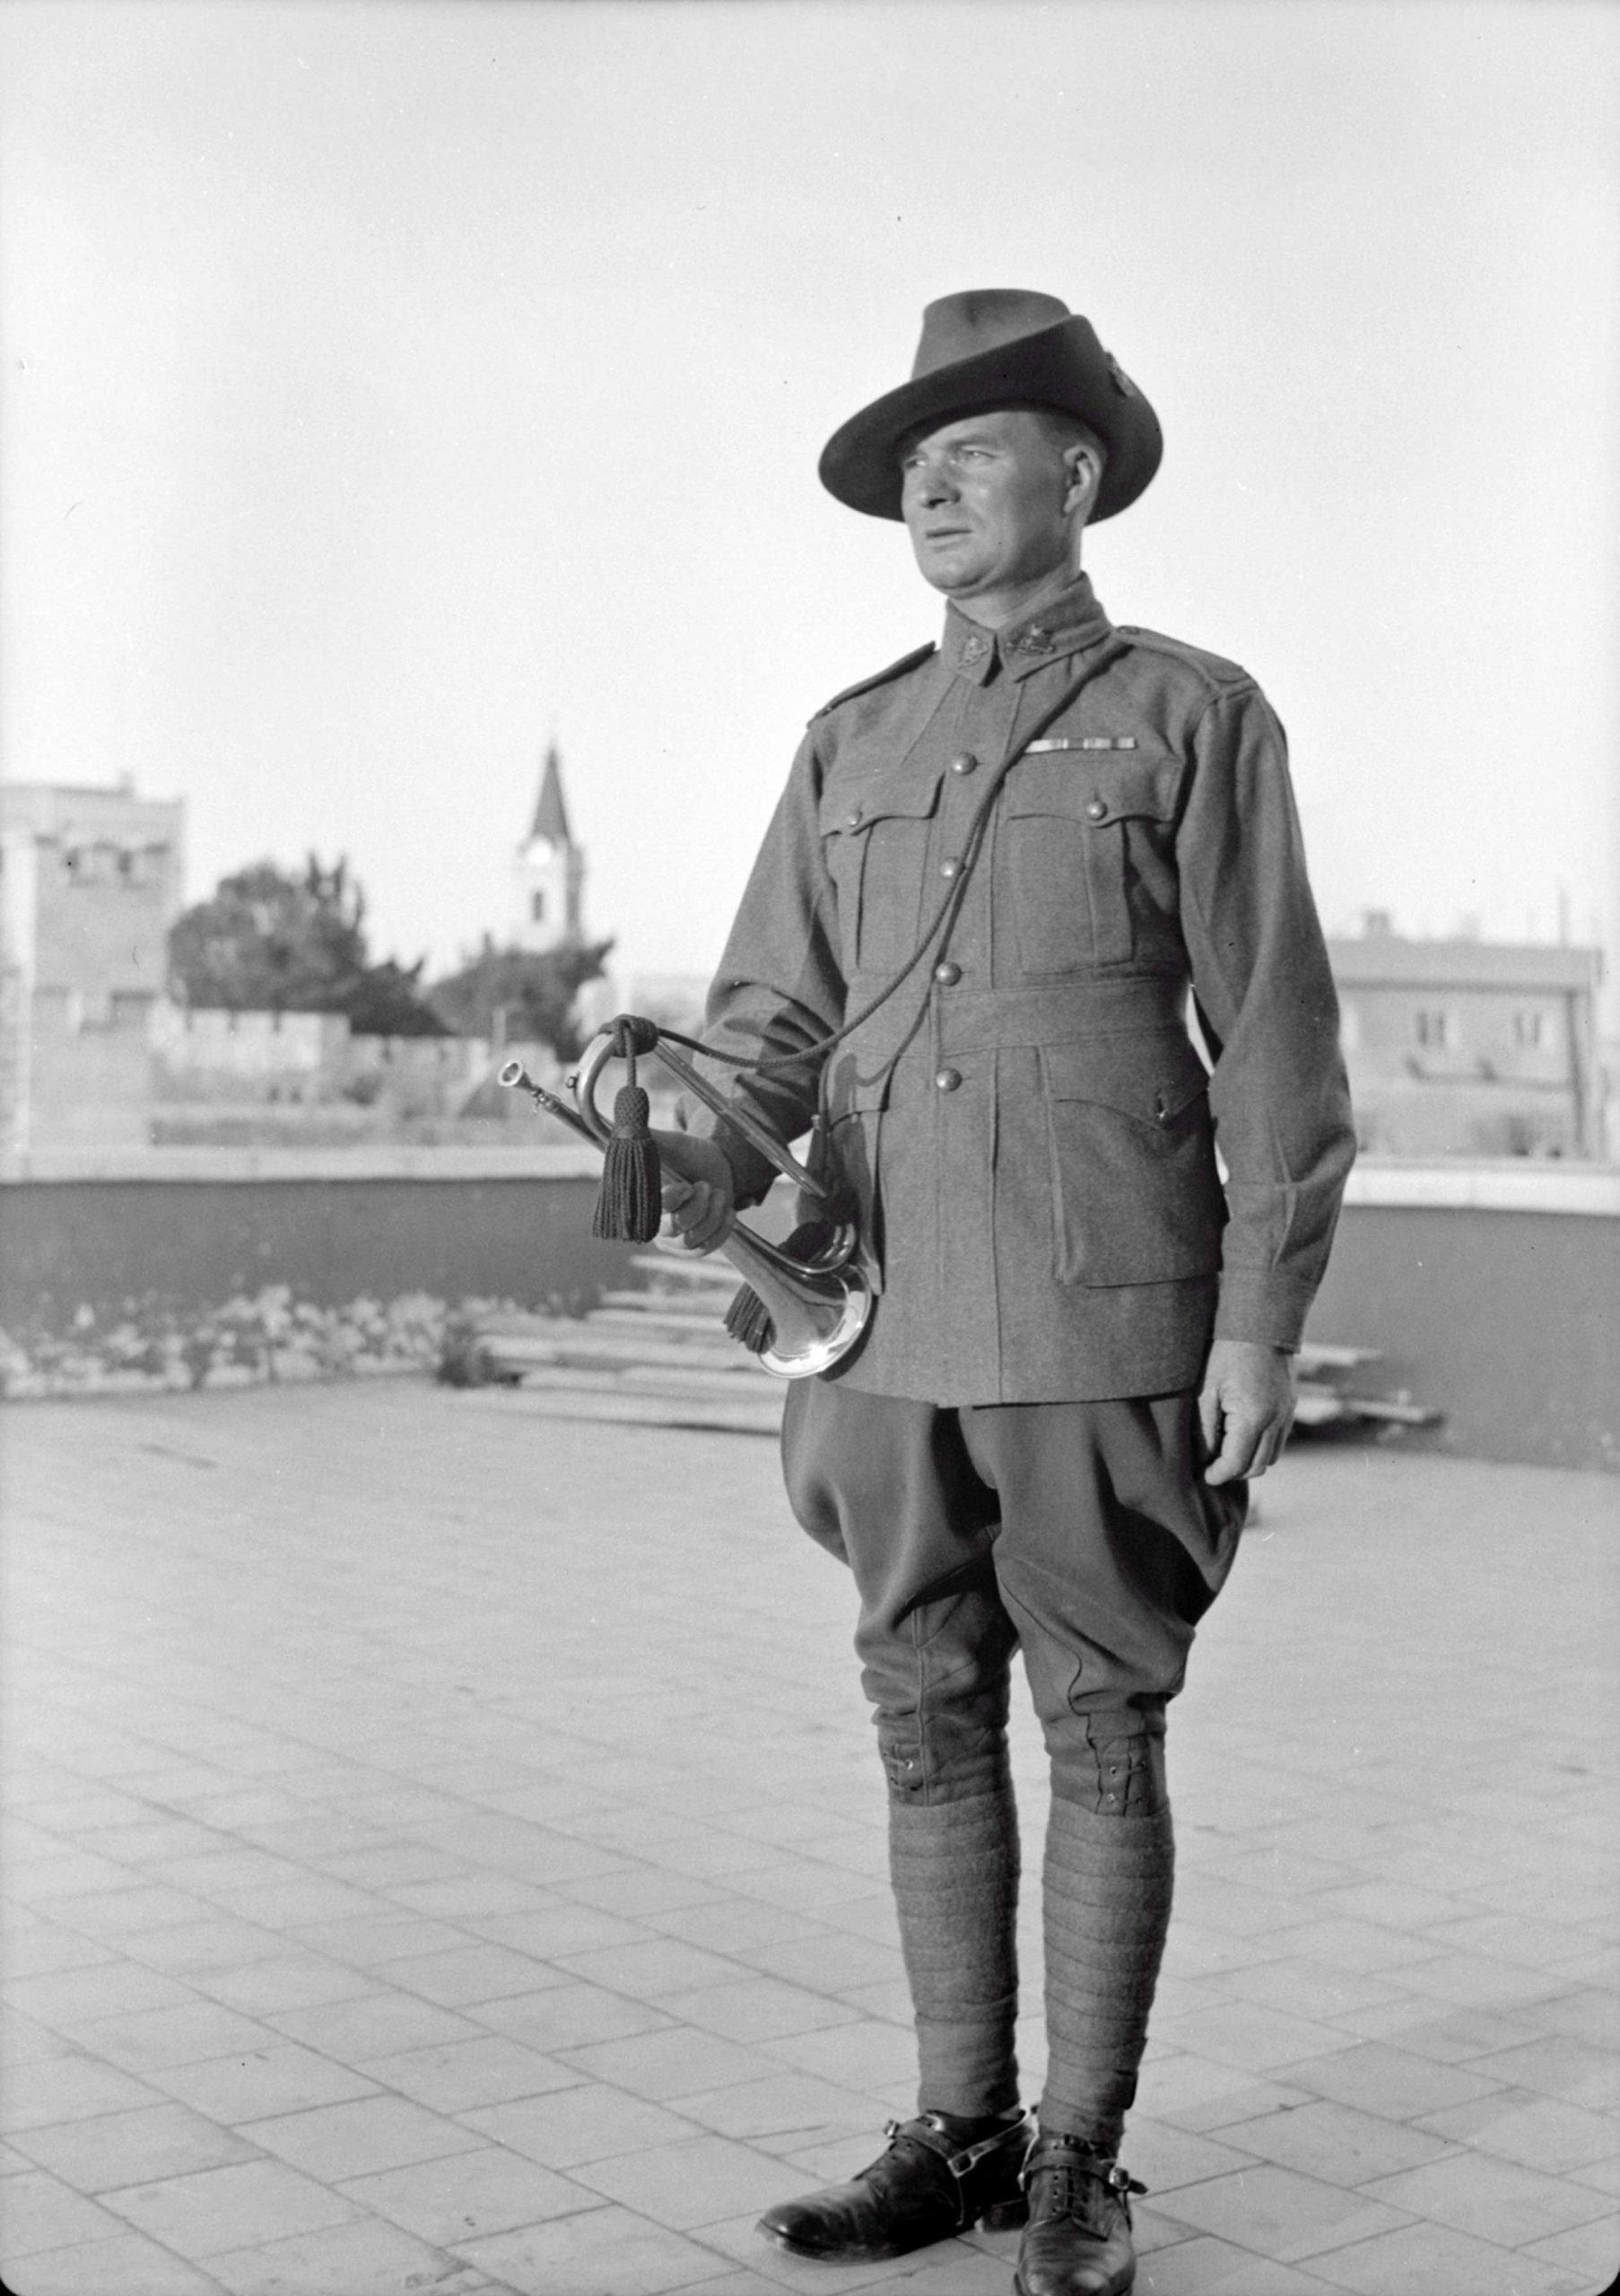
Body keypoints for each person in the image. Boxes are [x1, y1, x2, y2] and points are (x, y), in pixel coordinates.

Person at [654, 289, 1354, 2296]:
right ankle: (957, 2131)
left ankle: (1080, 2159)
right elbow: (766, 1031)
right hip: (877, 1330)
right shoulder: (849, 736)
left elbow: (1284, 1060)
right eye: (907, 463)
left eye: (974, 448)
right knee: (920, 1715)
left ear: (1078, 469)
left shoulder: (1193, 713)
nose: (929, 485)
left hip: (1104, 1314)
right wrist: (681, 1126)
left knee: (1107, 1724)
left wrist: (1255, 1320)